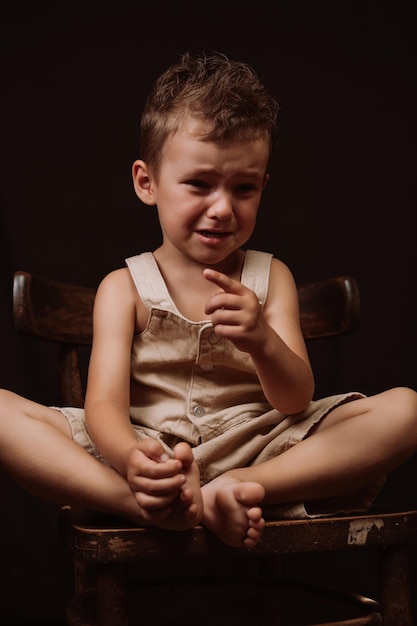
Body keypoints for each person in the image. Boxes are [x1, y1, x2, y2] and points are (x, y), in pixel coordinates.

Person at [1, 52, 417, 549]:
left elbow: (294, 400)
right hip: (148, 448)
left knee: (406, 411)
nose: (222, 209)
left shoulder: (271, 277)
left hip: (259, 447)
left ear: (263, 187)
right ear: (147, 182)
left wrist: (262, 339)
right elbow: (105, 406)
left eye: (244, 188)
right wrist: (134, 460)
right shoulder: (123, 287)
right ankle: (143, 503)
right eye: (199, 184)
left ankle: (239, 490)